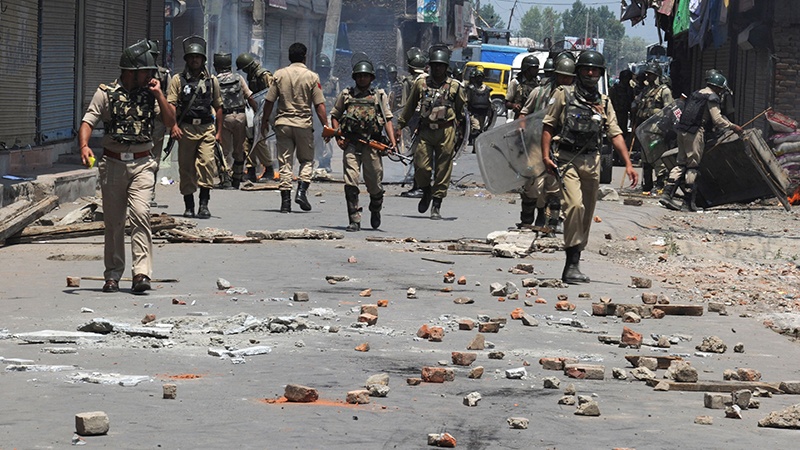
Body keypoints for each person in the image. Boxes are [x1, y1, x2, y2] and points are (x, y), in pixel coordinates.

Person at [78, 40, 176, 293]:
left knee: (141, 215)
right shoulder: (106, 92)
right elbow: (89, 120)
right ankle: (112, 275)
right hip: (112, 164)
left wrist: (159, 95)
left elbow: (169, 120)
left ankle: (141, 274)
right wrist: (84, 146)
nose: (151, 75)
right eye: (147, 71)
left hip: (143, 163)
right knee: (114, 222)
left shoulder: (151, 93)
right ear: (132, 71)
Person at [541, 50, 638, 284]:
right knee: (574, 206)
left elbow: (615, 133)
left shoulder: (603, 102)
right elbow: (548, 126)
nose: (591, 73)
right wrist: (545, 156)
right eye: (586, 69)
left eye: (595, 70)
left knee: (586, 213)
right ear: (579, 71)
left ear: (601, 73)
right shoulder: (563, 95)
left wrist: (627, 163)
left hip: (592, 161)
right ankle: (570, 265)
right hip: (567, 159)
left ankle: (576, 259)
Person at [394, 47, 466, 220]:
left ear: (446, 67)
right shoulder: (421, 84)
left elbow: (461, 112)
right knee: (422, 167)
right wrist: (400, 126)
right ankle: (426, 190)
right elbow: (410, 106)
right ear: (430, 67)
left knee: (443, 169)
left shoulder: (455, 86)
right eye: (435, 65)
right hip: (426, 130)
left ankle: (436, 204)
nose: (438, 69)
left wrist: (460, 136)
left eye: (441, 66)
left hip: (446, 131)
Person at [260, 42, 329, 213]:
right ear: (305, 56)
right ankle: (301, 192)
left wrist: (264, 121)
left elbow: (269, 101)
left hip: (283, 124)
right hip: (303, 124)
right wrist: (326, 125)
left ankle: (285, 203)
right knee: (306, 160)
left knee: (285, 163)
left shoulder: (279, 74)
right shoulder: (312, 77)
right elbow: (319, 105)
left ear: (289, 57)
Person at [659, 71, 742, 212]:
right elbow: (717, 119)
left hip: (681, 130)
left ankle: (667, 194)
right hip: (695, 133)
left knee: (681, 163)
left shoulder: (696, 93)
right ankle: (687, 202)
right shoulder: (712, 97)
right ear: (718, 87)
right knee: (692, 166)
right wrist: (733, 127)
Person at [330, 58, 397, 231]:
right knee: (351, 183)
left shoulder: (378, 96)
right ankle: (354, 219)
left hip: (372, 144)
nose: (362, 79)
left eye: (365, 76)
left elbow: (388, 120)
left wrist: (393, 142)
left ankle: (376, 207)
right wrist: (338, 136)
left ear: (371, 78)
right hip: (352, 144)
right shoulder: (347, 95)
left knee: (374, 183)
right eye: (359, 76)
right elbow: (335, 115)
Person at [516, 57, 576, 233]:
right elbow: (523, 115)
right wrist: (522, 134)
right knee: (532, 185)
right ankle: (527, 221)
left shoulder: (575, 96)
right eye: (561, 76)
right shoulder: (539, 92)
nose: (565, 80)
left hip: (559, 147)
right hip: (536, 144)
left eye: (568, 77)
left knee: (554, 188)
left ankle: (550, 223)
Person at [167, 36, 223, 219]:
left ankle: (204, 205)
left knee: (207, 163)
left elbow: (219, 107)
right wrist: (173, 126)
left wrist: (219, 132)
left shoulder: (212, 81)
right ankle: (189, 205)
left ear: (203, 59)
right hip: (186, 129)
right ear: (187, 59)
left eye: (197, 57)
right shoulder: (178, 80)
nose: (194, 60)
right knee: (186, 168)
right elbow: (171, 105)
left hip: (206, 128)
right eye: (191, 57)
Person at [214, 52, 257, 189]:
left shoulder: (215, 80)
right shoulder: (238, 78)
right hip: (240, 117)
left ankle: (225, 180)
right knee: (239, 150)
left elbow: (212, 101)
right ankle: (237, 179)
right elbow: (250, 96)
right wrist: (258, 114)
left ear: (217, 66)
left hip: (224, 118)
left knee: (222, 151)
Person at [632, 62, 674, 195]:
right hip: (644, 128)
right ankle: (647, 184)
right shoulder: (645, 90)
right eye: (647, 74)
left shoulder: (664, 90)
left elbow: (669, 110)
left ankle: (660, 183)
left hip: (657, 129)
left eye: (650, 74)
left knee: (657, 157)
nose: (647, 76)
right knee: (645, 157)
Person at [235, 52, 275, 182]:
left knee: (259, 141)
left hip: (264, 113)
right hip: (255, 113)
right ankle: (251, 169)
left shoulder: (264, 75)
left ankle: (269, 168)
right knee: (249, 141)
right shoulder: (252, 75)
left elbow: (272, 93)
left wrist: (268, 116)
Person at [398, 47, 428, 199]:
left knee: (416, 153)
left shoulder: (409, 81)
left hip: (414, 121)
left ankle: (419, 187)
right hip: (428, 121)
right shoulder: (429, 79)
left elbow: (406, 105)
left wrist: (401, 124)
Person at [147, 40, 170, 207]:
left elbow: (169, 98)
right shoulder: (135, 73)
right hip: (139, 122)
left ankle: (150, 192)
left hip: (157, 122)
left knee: (154, 159)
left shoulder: (163, 74)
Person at [315, 53, 339, 173]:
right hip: (317, 113)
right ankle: (320, 161)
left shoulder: (334, 81)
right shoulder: (314, 80)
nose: (323, 71)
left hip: (329, 113)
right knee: (318, 138)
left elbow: (338, 98)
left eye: (325, 69)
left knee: (328, 138)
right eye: (321, 69)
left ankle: (327, 160)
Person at [506, 55, 539, 120]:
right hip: (519, 118)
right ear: (527, 69)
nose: (537, 70)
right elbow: (507, 103)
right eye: (534, 68)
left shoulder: (537, 83)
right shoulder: (515, 82)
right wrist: (514, 105)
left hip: (533, 118)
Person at [464, 67, 493, 145]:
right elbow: (467, 100)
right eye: (478, 77)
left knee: (481, 130)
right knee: (476, 128)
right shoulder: (471, 89)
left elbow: (489, 102)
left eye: (481, 77)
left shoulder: (486, 89)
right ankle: (473, 142)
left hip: (483, 112)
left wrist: (490, 114)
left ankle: (476, 146)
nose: (479, 79)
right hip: (474, 113)